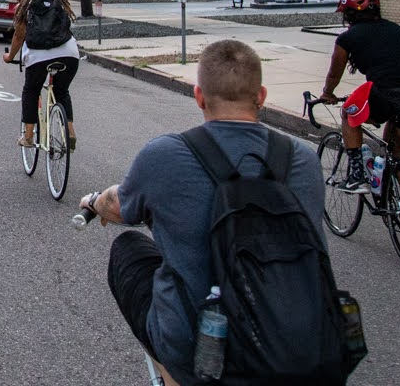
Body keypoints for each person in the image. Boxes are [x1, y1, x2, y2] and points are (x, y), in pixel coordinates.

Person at [79, 39, 326, 384]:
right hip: (295, 343)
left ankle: (171, 375)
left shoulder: (165, 154)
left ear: (199, 96)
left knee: (129, 249)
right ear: (262, 96)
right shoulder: (305, 160)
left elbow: (118, 206)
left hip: (200, 346)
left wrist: (92, 202)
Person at [318, 0, 400, 194]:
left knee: (349, 112)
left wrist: (327, 93)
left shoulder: (347, 38)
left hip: (386, 96)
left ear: (350, 14)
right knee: (396, 150)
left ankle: (356, 177)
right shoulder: (396, 29)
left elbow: (334, 74)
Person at [2, 0, 79, 149]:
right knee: (62, 91)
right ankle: (70, 131)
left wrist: (10, 57)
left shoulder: (26, 6)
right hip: (69, 53)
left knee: (31, 90)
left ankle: (28, 137)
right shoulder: (61, 4)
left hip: (38, 56)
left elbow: (19, 36)